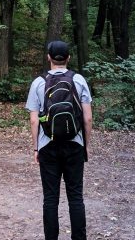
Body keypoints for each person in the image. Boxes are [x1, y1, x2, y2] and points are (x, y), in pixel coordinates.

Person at [26, 40, 93, 240]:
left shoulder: (38, 82)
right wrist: (86, 146)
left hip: (48, 145)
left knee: (50, 199)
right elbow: (88, 118)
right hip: (75, 144)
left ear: (49, 57)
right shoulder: (79, 80)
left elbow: (34, 120)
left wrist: (36, 148)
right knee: (76, 197)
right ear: (68, 58)